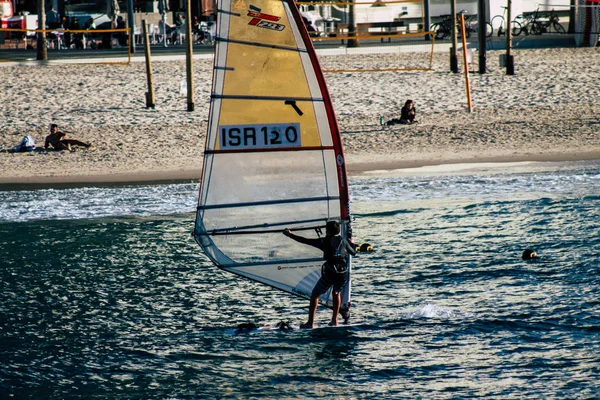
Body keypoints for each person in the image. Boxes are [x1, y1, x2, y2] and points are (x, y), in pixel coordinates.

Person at [283, 221, 356, 329]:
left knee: (315, 294)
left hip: (331, 273)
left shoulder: (323, 241)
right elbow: (354, 252)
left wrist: (290, 235)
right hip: (343, 273)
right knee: (336, 293)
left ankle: (310, 323)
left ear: (327, 231)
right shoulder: (343, 241)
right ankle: (334, 321)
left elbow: (305, 241)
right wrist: (352, 243)